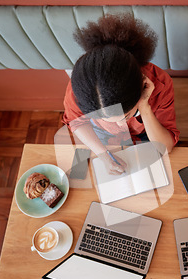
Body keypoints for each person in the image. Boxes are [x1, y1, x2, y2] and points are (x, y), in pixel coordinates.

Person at [63, 14, 179, 174]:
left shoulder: (160, 84)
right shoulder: (82, 87)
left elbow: (165, 147)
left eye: (125, 117)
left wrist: (144, 108)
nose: (118, 126)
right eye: (100, 117)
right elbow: (76, 122)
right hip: (100, 135)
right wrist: (104, 156)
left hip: (145, 133)